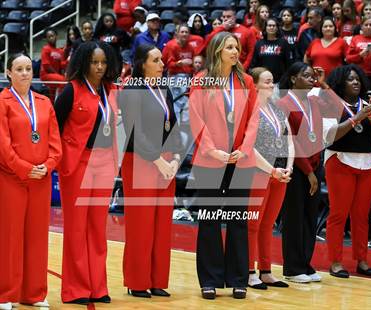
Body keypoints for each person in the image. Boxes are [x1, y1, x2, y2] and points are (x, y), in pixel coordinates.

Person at [189, 31, 259, 299]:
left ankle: (238, 278)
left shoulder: (247, 81)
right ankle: (210, 279)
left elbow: (254, 118)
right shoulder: (201, 81)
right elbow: (196, 119)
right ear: (218, 50)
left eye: (237, 47)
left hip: (241, 159)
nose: (235, 51)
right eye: (230, 46)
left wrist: (244, 148)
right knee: (210, 219)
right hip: (211, 159)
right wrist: (212, 150)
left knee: (238, 220)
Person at [54, 42, 119, 305]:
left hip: (104, 162)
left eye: (103, 62)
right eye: (94, 62)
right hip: (78, 163)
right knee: (77, 229)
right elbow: (54, 127)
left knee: (97, 227)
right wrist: (59, 159)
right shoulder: (71, 90)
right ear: (83, 63)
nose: (100, 67)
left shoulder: (111, 90)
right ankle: (75, 289)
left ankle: (98, 287)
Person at [119, 43, 182, 298]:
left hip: (166, 163)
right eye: (156, 60)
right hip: (141, 163)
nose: (162, 64)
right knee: (141, 224)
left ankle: (157, 280)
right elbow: (135, 132)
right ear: (142, 63)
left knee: (161, 224)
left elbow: (174, 126)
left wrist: (176, 159)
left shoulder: (163, 89)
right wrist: (159, 161)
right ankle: (137, 281)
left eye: (161, 60)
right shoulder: (131, 90)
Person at [0, 53, 62, 310]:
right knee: (10, 237)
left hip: (41, 179)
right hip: (11, 178)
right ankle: (6, 293)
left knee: (37, 236)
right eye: (19, 69)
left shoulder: (45, 101)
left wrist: (46, 167)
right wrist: (25, 168)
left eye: (28, 68)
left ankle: (34, 292)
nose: (25, 73)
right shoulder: (2, 102)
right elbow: (2, 144)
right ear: (8, 73)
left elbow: (55, 143)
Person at [324, 64, 371, 278]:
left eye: (358, 79)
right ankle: (335, 262)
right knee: (338, 214)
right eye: (350, 79)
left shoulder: (369, 105)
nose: (355, 82)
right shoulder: (331, 104)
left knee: (361, 215)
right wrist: (357, 117)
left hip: (367, 164)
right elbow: (330, 137)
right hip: (339, 161)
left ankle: (362, 260)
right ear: (340, 83)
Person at [277, 62, 330, 283]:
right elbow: (291, 144)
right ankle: (292, 267)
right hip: (295, 168)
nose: (311, 79)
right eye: (306, 76)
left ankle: (306, 264)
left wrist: (324, 81)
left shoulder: (314, 102)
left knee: (310, 217)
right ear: (292, 79)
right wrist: (308, 171)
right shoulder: (283, 103)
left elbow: (337, 106)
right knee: (294, 218)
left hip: (315, 166)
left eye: (312, 76)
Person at [247, 67, 294, 290]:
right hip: (257, 171)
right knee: (252, 224)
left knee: (268, 224)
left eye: (272, 81)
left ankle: (265, 270)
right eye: (266, 81)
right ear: (254, 85)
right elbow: (248, 147)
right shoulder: (249, 110)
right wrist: (270, 170)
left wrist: (288, 167)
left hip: (279, 172)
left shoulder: (277, 110)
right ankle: (248, 271)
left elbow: (290, 141)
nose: (271, 85)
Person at [162, 24, 195, 124]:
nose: (184, 34)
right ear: (177, 34)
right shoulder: (172, 45)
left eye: (186, 32)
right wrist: (181, 63)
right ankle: (175, 124)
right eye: (182, 32)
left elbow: (192, 62)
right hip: (175, 76)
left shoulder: (190, 47)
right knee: (176, 102)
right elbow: (168, 64)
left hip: (188, 77)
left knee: (186, 102)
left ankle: (184, 125)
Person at [346, 17, 371, 89]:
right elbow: (348, 58)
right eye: (366, 25)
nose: (368, 27)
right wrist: (360, 55)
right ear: (361, 26)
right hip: (360, 74)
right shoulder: (356, 38)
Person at [250, 17, 291, 84]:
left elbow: (288, 63)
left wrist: (285, 79)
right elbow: (254, 63)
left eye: (274, 26)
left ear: (277, 28)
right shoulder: (259, 43)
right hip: (262, 81)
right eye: (269, 25)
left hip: (279, 81)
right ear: (265, 28)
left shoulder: (283, 43)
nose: (271, 27)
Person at [40, 28, 67, 101]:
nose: (51, 38)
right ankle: (60, 101)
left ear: (56, 36)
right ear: (46, 39)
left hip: (55, 75)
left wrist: (68, 60)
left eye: (52, 36)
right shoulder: (46, 48)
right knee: (63, 81)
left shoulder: (60, 51)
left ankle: (53, 107)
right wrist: (58, 75)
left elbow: (62, 65)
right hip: (46, 75)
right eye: (49, 37)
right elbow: (46, 66)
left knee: (51, 97)